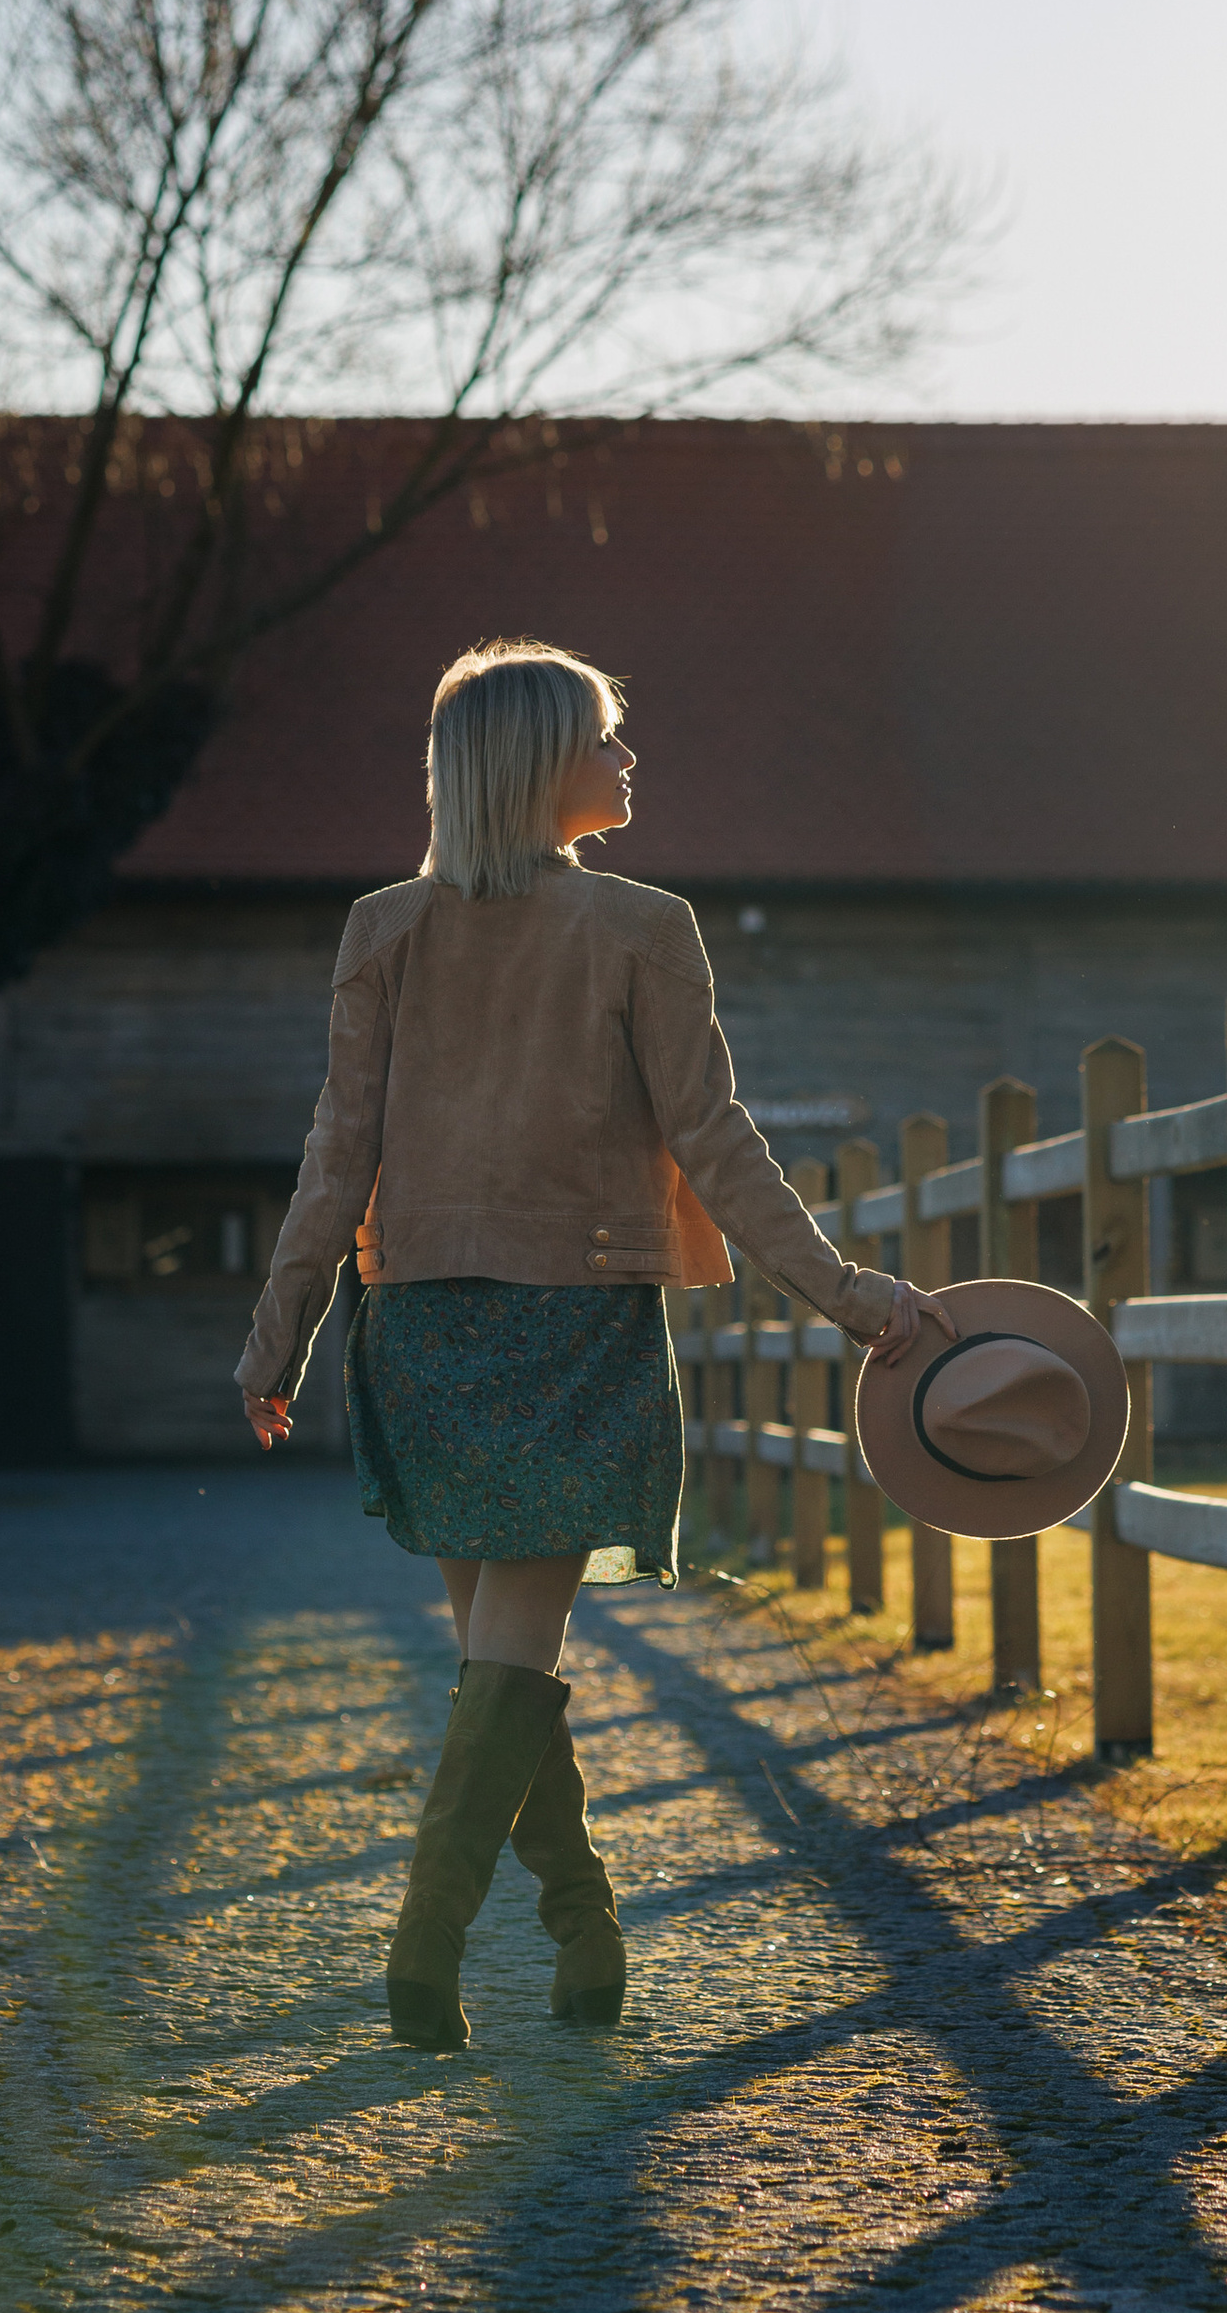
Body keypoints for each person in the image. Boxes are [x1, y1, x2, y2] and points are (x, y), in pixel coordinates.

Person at [235, 638, 949, 2053]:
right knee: (514, 1655)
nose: (630, 761)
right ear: (536, 766)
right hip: (574, 1321)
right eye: (606, 741)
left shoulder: (385, 926)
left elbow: (337, 1155)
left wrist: (282, 1335)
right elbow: (717, 1143)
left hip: (420, 1318)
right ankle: (428, 1945)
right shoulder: (642, 927)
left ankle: (581, 1930)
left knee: (502, 1656)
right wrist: (857, 1297)